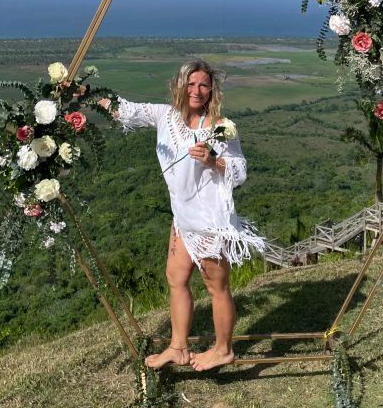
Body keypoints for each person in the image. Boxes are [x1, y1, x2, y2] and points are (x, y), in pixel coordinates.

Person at [98, 59, 264, 371]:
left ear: (212, 90)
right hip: (183, 217)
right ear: (180, 85)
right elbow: (125, 110)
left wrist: (213, 160)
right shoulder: (166, 116)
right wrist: (86, 94)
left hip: (210, 221)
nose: (197, 91)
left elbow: (240, 170)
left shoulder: (220, 126)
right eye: (191, 84)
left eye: (203, 85)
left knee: (216, 287)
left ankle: (223, 349)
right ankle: (178, 347)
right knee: (176, 278)